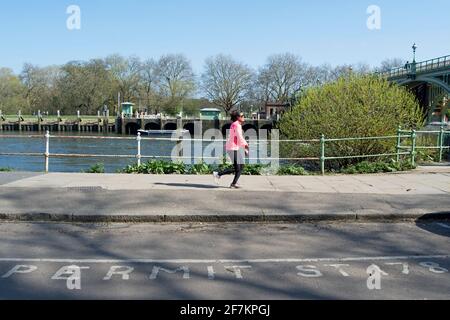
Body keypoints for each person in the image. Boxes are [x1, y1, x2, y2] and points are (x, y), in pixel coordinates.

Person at [213, 110, 249, 189]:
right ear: (237, 117)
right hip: (232, 148)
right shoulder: (237, 125)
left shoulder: (235, 124)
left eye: (243, 116)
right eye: (242, 116)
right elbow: (240, 137)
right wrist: (246, 146)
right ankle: (219, 174)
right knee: (238, 168)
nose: (243, 117)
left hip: (233, 147)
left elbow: (238, 138)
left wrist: (244, 147)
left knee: (241, 166)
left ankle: (231, 182)